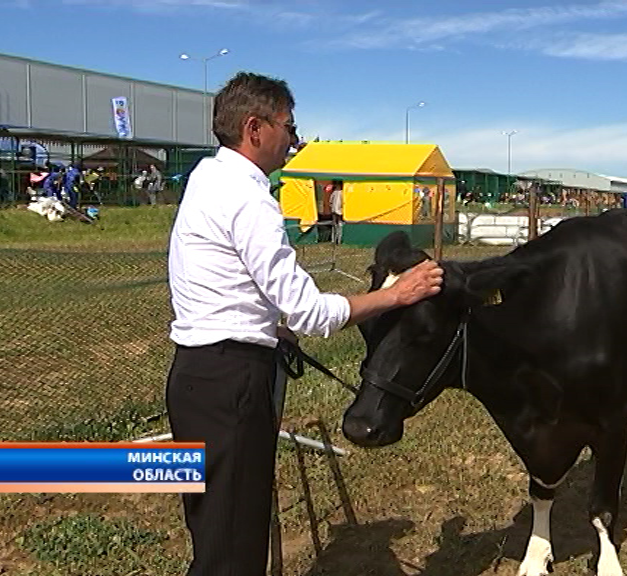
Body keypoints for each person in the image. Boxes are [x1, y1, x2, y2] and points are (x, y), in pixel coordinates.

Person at [165, 71, 443, 576]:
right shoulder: (249, 199)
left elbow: (228, 279)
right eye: (288, 127)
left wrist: (269, 322)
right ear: (255, 128)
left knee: (215, 532)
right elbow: (310, 312)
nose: (294, 140)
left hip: (196, 376)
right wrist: (394, 295)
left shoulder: (208, 177)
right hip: (232, 384)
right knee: (234, 550)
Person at [330, 180, 343, 244]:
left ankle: (338, 240)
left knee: (339, 225)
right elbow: (331, 201)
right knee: (335, 225)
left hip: (339, 211)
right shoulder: (335, 192)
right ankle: (334, 240)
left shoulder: (341, 192)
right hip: (335, 211)